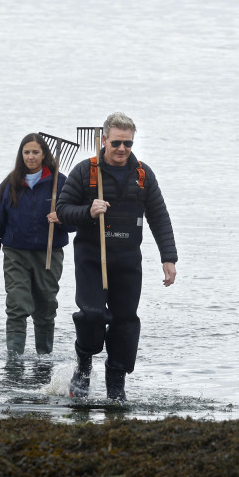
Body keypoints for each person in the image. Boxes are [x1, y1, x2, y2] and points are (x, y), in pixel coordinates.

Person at [56, 112, 177, 402]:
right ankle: (83, 366)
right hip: (91, 259)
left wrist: (168, 257)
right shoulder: (86, 172)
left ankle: (116, 383)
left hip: (127, 261)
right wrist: (88, 211)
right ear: (104, 140)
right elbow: (62, 210)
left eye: (128, 143)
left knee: (125, 323)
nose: (122, 149)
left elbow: (159, 217)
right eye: (117, 143)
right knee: (92, 314)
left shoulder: (143, 175)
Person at [0, 133, 72, 357]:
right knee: (17, 305)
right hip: (15, 254)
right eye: (26, 152)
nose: (31, 157)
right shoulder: (11, 183)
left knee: (46, 306)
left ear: (44, 155)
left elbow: (77, 218)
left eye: (35, 152)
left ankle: (44, 358)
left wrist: (62, 218)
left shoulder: (60, 182)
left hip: (49, 253)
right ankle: (14, 360)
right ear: (21, 155)